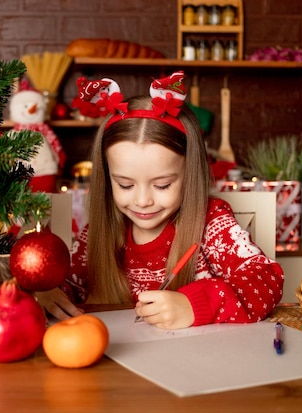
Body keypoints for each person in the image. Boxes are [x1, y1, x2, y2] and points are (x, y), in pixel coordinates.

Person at [36, 71, 284, 329]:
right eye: (125, 184)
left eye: (163, 185)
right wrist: (49, 293)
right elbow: (68, 288)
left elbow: (266, 280)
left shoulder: (212, 223)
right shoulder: (99, 233)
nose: (143, 201)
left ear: (190, 174)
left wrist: (194, 305)